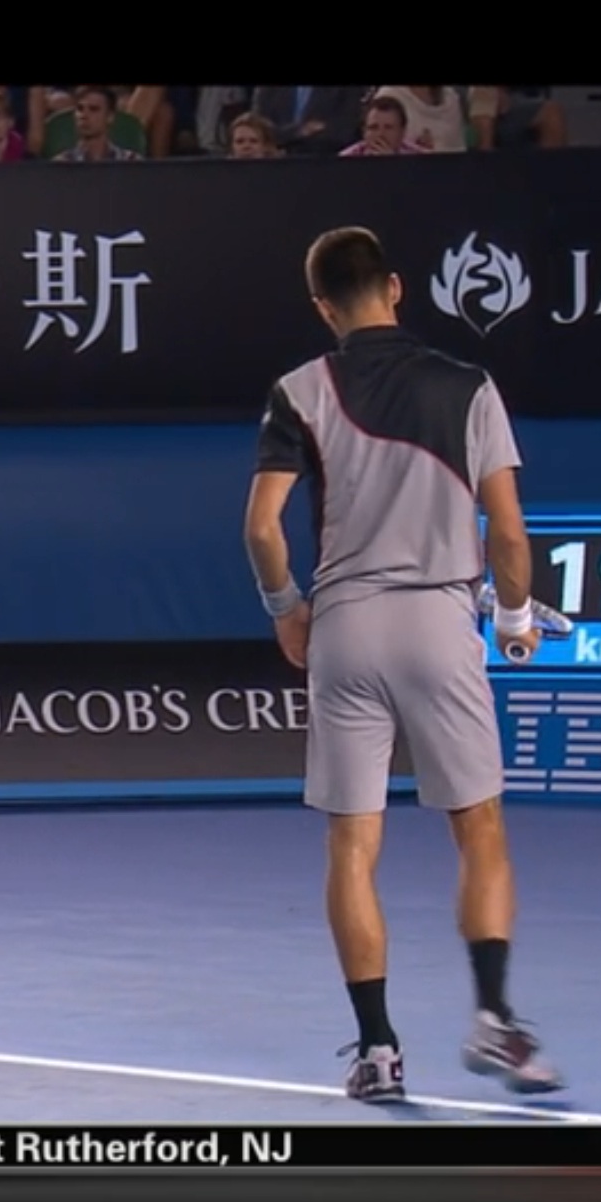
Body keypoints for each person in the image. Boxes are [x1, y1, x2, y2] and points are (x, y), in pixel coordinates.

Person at [243, 226, 563, 1101]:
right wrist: (514, 618)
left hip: (344, 628)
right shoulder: (470, 385)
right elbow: (507, 532)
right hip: (438, 624)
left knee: (353, 845)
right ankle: (494, 1020)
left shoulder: (298, 389)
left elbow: (262, 528)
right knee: (480, 829)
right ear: (396, 287)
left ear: (323, 307)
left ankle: (378, 1051)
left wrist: (286, 610)